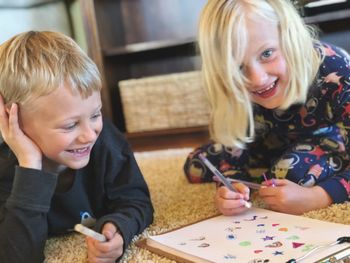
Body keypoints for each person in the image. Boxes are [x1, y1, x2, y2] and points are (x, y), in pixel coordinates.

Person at [184, 0, 350, 216]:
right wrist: (231, 186)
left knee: (289, 174)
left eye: (266, 54)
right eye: (238, 67)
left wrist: (318, 197)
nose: (257, 79)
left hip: (328, 139)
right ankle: (261, 173)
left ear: (290, 37)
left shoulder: (336, 71)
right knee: (195, 165)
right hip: (267, 141)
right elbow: (234, 146)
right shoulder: (233, 88)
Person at [0, 31, 154, 262]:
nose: (89, 134)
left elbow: (136, 200)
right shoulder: (5, 170)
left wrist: (119, 228)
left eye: (95, 114)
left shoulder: (105, 140)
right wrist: (30, 166)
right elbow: (16, 256)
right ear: (14, 119)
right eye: (70, 125)